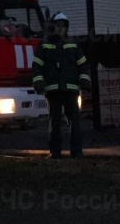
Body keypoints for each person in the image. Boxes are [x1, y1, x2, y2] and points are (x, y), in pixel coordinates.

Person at [32, 12, 91, 159]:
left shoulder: (73, 43)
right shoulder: (44, 44)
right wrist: (38, 82)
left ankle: (77, 152)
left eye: (63, 25)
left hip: (71, 90)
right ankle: (55, 152)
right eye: (58, 25)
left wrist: (85, 81)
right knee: (55, 122)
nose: (61, 28)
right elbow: (37, 66)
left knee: (75, 122)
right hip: (52, 90)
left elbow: (83, 65)